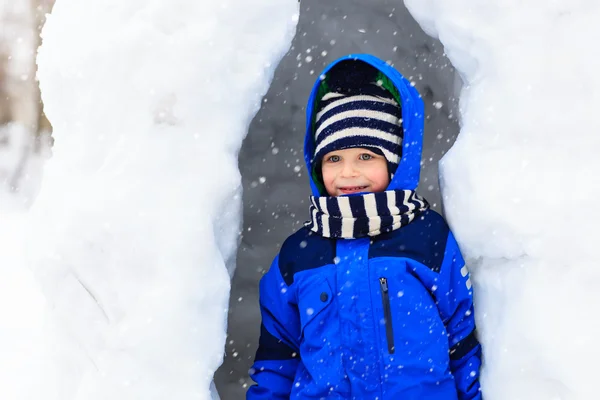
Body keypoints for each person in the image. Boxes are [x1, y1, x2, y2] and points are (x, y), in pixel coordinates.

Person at [246, 54, 482, 399]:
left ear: (395, 161)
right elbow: (277, 360)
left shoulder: (427, 237)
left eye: (366, 157)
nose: (348, 173)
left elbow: (461, 342)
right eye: (334, 159)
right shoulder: (299, 254)